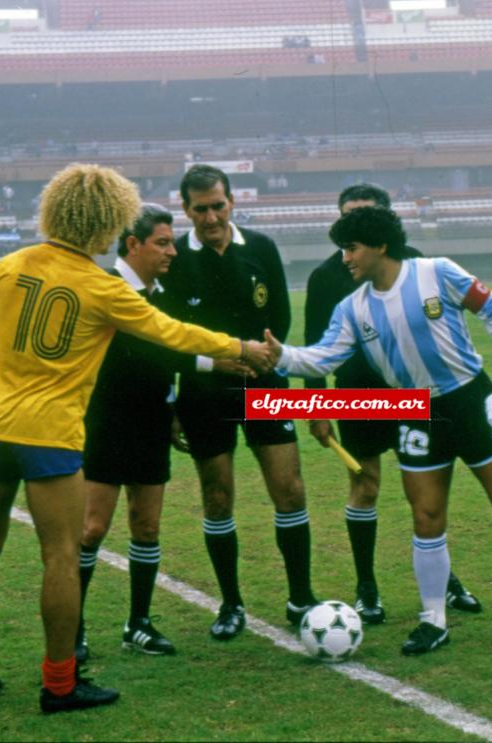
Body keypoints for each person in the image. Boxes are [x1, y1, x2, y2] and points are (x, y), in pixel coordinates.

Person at [0, 164, 273, 713]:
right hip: (51, 434)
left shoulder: (7, 268)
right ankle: (59, 682)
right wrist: (240, 346)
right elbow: (172, 333)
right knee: (60, 553)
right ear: (107, 221)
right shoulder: (104, 288)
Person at [269, 206, 492, 655]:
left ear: (379, 245)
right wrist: (279, 356)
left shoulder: (437, 272)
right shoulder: (352, 308)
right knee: (426, 518)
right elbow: (322, 358)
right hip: (416, 414)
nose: (345, 259)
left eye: (351, 248)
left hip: (469, 400)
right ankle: (434, 620)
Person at [75, 204, 256, 661]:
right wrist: (213, 360)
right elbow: (147, 350)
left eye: (172, 242)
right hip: (107, 422)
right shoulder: (109, 289)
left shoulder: (157, 292)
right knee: (92, 529)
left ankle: (138, 623)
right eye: (162, 242)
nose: (172, 251)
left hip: (151, 419)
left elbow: (166, 350)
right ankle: (71, 629)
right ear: (132, 244)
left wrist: (173, 405)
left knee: (147, 526)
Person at [303, 184, 481, 625]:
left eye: (367, 215)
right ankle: (367, 586)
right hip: (358, 394)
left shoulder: (414, 261)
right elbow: (314, 349)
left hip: (410, 392)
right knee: (365, 487)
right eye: (350, 216)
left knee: (426, 493)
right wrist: (316, 405)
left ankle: (444, 581)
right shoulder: (325, 276)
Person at [159, 164, 318, 640]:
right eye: (200, 209)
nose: (210, 218)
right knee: (218, 497)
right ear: (185, 210)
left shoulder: (262, 248)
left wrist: (266, 357)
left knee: (289, 489)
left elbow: (282, 317)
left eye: (218, 206)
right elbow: (167, 337)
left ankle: (301, 597)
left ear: (232, 203)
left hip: (265, 386)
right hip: (206, 394)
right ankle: (230, 604)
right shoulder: (176, 260)